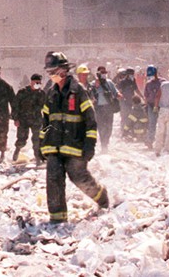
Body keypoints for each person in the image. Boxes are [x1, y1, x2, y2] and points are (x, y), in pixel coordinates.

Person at [40, 52, 109, 223]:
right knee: (53, 179)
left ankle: (103, 198)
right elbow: (46, 121)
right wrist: (42, 143)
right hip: (54, 147)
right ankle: (57, 219)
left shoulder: (78, 91)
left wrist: (89, 146)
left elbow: (90, 120)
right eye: (49, 72)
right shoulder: (51, 93)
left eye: (53, 71)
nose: (51, 75)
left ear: (63, 70)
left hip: (74, 146)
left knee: (79, 178)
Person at [12, 74, 46, 163]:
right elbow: (15, 106)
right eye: (36, 82)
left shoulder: (41, 94)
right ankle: (17, 150)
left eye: (39, 83)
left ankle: (38, 158)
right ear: (31, 82)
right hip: (23, 120)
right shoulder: (22, 92)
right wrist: (15, 119)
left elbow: (46, 106)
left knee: (37, 140)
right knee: (22, 139)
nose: (37, 84)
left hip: (36, 120)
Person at [92, 66, 119, 151]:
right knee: (100, 126)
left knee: (109, 126)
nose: (103, 75)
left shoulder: (109, 82)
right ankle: (103, 143)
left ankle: (106, 141)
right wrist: (96, 86)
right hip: (99, 108)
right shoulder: (93, 83)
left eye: (104, 73)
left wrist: (119, 96)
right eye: (101, 73)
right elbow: (90, 93)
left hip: (108, 107)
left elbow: (115, 92)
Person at [116, 68, 141, 139]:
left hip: (131, 102)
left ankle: (131, 132)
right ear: (127, 74)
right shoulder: (122, 82)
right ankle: (123, 133)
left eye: (133, 74)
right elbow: (119, 92)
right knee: (124, 117)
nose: (132, 75)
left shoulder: (133, 81)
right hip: (124, 102)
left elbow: (136, 90)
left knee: (131, 117)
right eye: (131, 74)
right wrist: (122, 99)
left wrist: (141, 97)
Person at [143, 65, 162, 149]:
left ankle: (162, 143)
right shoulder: (148, 84)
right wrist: (146, 105)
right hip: (151, 106)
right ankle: (149, 141)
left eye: (152, 75)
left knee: (162, 125)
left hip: (161, 106)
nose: (150, 77)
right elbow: (146, 96)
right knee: (152, 124)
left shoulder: (162, 82)